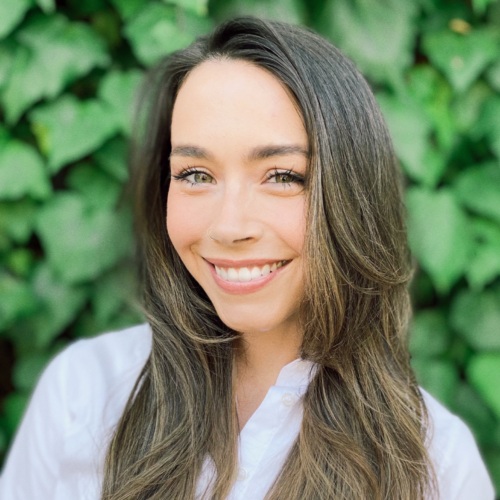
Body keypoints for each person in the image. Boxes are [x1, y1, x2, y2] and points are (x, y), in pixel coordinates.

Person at [0, 16, 495, 500]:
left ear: (353, 194)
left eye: (282, 176)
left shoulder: (436, 465)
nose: (229, 227)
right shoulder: (81, 394)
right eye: (195, 175)